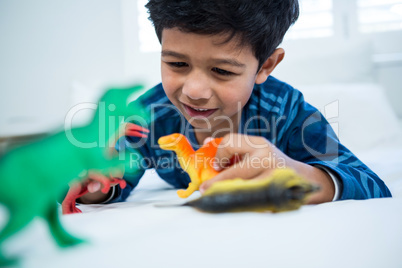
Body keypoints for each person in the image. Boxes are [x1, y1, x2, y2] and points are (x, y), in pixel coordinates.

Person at [76, 0, 391, 205]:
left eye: (221, 71)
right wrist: (95, 185)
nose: (194, 90)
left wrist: (302, 174)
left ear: (266, 66)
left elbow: (373, 185)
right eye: (177, 64)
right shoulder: (148, 114)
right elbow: (118, 174)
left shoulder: (287, 112)